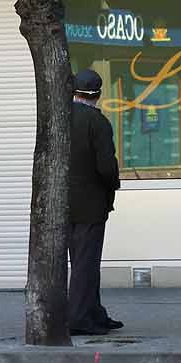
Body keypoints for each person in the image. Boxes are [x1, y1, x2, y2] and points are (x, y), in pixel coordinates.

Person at [68, 68, 122, 337]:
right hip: (91, 203)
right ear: (98, 94)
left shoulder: (60, 117)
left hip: (64, 204)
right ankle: (79, 317)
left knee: (80, 260)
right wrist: (114, 184)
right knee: (86, 263)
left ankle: (93, 312)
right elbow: (106, 166)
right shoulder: (97, 122)